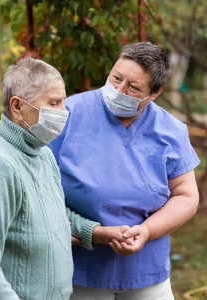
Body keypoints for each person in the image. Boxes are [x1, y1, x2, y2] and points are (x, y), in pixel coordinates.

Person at [0, 57, 130, 300]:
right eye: (53, 103)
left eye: (63, 102)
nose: (63, 112)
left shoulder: (42, 154)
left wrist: (95, 233)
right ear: (17, 106)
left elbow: (52, 214)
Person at [48, 42, 200, 300]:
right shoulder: (70, 113)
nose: (118, 90)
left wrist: (147, 231)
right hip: (79, 268)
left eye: (133, 87)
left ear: (155, 93)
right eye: (116, 78)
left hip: (145, 270)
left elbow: (186, 195)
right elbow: (39, 185)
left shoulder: (170, 131)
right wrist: (90, 232)